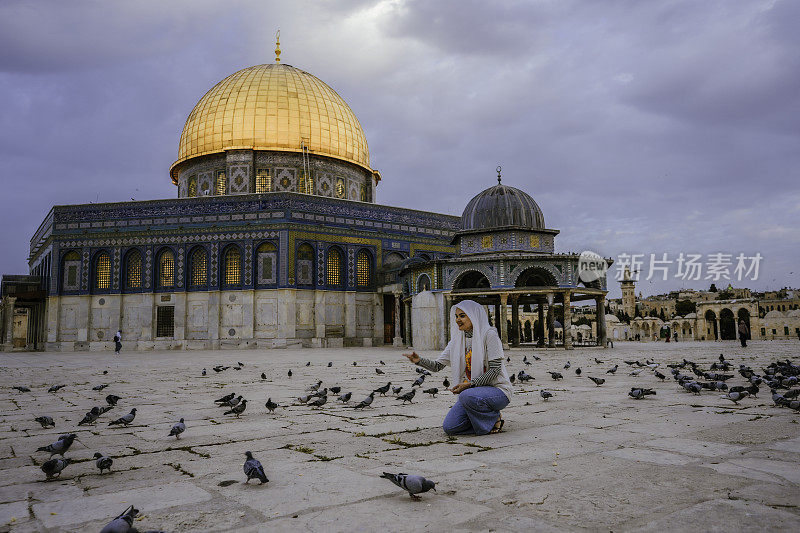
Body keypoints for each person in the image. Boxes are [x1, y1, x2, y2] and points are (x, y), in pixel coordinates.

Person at [403, 300, 512, 435]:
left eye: (462, 316)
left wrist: (470, 384)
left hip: (497, 392)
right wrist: (419, 361)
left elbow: (495, 370)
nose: (457, 320)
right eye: (456, 316)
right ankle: (484, 420)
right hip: (473, 394)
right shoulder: (457, 340)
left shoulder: (489, 335)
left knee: (465, 396)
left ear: (473, 316)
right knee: (451, 427)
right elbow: (437, 366)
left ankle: (494, 417)